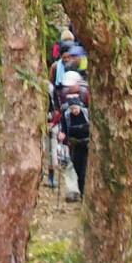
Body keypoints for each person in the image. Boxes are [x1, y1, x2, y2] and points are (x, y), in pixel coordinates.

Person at [53, 73, 92, 202]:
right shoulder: (67, 116)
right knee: (75, 167)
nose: (75, 111)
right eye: (73, 109)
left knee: (84, 170)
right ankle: (78, 192)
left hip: (86, 144)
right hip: (74, 145)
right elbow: (64, 130)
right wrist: (62, 136)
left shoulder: (86, 113)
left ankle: (84, 193)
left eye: (76, 108)